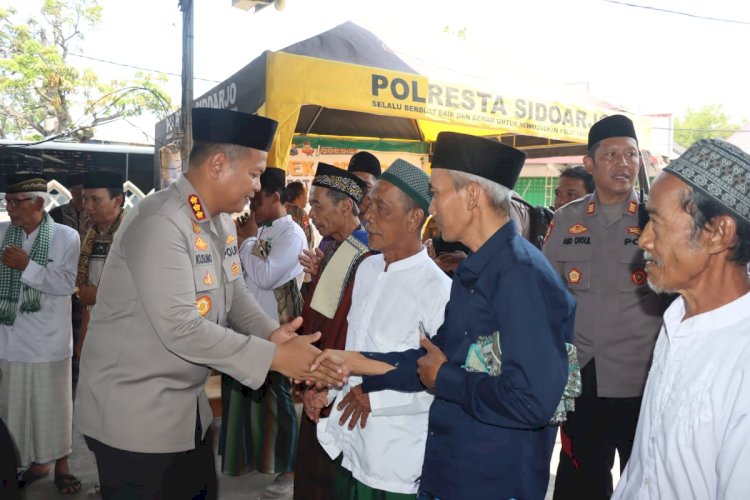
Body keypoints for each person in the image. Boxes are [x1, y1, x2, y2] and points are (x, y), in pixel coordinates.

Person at [73, 108, 346, 499]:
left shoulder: (215, 222)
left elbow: (235, 294)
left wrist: (274, 335)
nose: (257, 187)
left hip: (185, 416)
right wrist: (272, 357)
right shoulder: (161, 222)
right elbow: (181, 327)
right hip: (135, 421)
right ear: (219, 165)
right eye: (253, 174)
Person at [312, 131, 576, 499]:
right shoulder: (474, 272)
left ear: (471, 195)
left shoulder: (521, 276)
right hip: (451, 469)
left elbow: (533, 401)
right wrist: (350, 361)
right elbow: (431, 360)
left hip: (492, 479)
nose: (431, 208)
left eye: (436, 193)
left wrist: (446, 379)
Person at [612, 139, 750, 499]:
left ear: (718, 234)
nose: (643, 240)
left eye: (656, 222)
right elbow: (644, 467)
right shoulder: (677, 321)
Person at [544, 115, 668, 499]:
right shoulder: (567, 219)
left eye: (631, 155)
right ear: (590, 164)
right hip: (583, 376)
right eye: (611, 154)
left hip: (641, 377)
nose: (623, 163)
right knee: (581, 477)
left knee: (644, 478)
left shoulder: (657, 220)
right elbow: (548, 295)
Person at [314, 159, 452, 499]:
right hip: (349, 444)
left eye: (382, 209)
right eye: (369, 205)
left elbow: (442, 381)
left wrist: (377, 398)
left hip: (395, 459)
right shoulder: (368, 268)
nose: (368, 217)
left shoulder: (439, 290)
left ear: (414, 218)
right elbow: (354, 347)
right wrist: (327, 389)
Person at [219, 167, 306, 497]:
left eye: (258, 199)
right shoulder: (262, 231)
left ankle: (289, 469)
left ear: (275, 197)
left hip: (277, 327)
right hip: (248, 326)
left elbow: (265, 275)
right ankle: (251, 459)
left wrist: (247, 240)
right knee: (247, 395)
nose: (252, 206)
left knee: (280, 400)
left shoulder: (290, 235)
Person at [0, 174, 81, 495]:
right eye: (7, 202)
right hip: (9, 339)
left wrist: (26, 266)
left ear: (39, 203)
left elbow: (64, 284)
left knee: (54, 409)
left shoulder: (66, 237)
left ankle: (61, 467)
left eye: (17, 203)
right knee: (12, 410)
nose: (11, 209)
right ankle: (27, 465)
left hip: (49, 341)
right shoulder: (3, 233)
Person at [294, 162, 371, 500]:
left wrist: (323, 383)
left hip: (338, 386)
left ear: (344, 207)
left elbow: (349, 329)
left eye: (317, 205)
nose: (310, 214)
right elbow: (319, 314)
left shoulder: (368, 252)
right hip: (318, 377)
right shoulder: (330, 246)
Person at [74, 171, 126, 359]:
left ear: (117, 200)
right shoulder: (92, 234)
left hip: (126, 333)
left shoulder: (133, 233)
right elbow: (87, 294)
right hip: (96, 328)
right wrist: (83, 338)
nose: (87, 206)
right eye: (85, 199)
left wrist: (98, 295)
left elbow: (144, 287)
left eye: (95, 200)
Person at [49, 172, 90, 238]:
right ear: (71, 191)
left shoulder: (95, 212)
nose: (81, 194)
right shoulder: (55, 213)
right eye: (77, 190)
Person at [347, 150, 382, 225]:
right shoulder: (337, 227)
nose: (358, 191)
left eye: (365, 186)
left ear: (377, 188)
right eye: (353, 184)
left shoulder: (385, 229)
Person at [284, 180, 314, 250]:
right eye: (306, 194)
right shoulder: (301, 213)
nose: (307, 197)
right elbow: (307, 237)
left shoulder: (282, 210)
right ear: (300, 197)